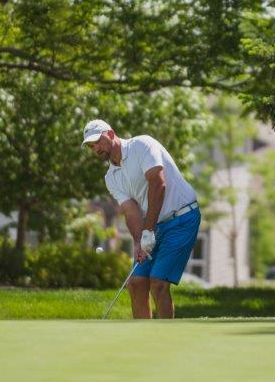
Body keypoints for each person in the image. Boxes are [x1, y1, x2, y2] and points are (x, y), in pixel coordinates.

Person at [82, 119, 200, 319]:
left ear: (110, 134)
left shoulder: (142, 145)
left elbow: (158, 184)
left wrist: (148, 231)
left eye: (98, 142)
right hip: (156, 225)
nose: (96, 149)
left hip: (182, 218)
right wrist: (138, 241)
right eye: (91, 146)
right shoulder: (111, 178)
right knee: (136, 283)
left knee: (158, 283)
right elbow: (131, 211)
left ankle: (164, 341)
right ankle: (142, 339)